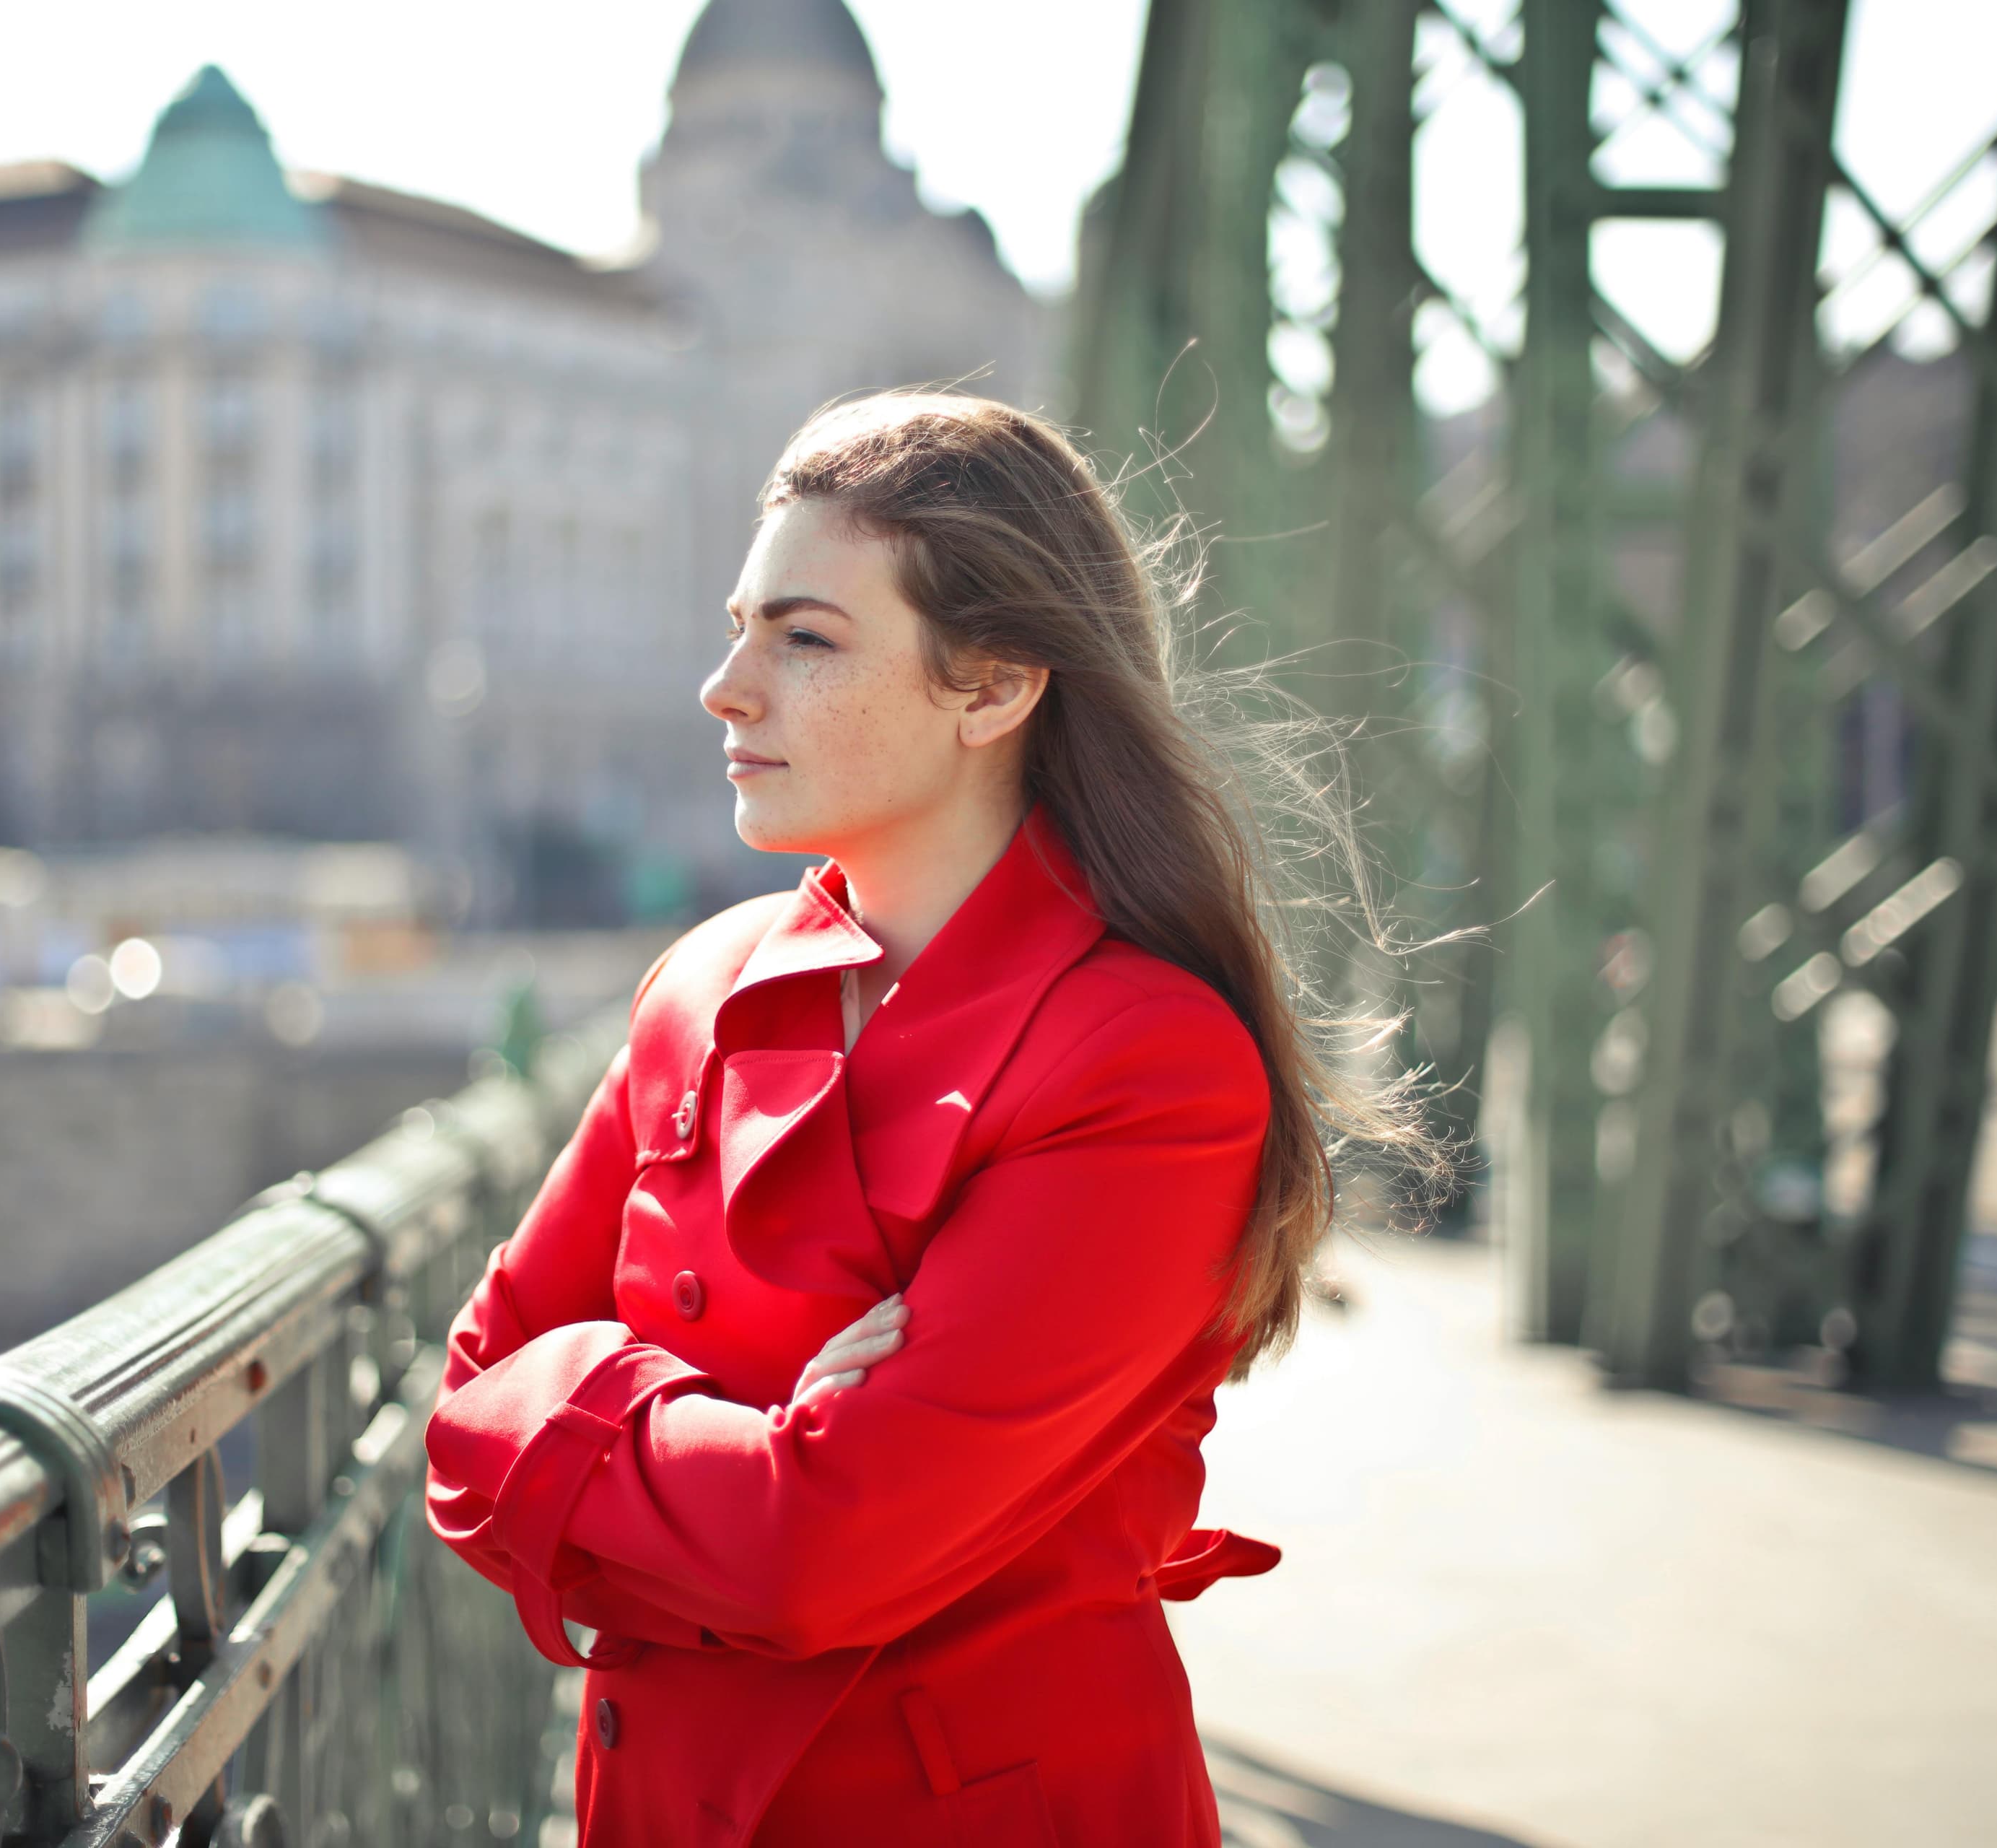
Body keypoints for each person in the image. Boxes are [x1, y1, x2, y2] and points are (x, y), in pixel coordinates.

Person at [425, 390, 1431, 1846]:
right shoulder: (702, 987)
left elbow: (810, 1559)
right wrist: (758, 1430)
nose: (725, 687)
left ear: (995, 686)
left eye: (805, 639)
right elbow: (462, 1419)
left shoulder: (1146, 1064)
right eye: (739, 625)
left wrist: (584, 1424)